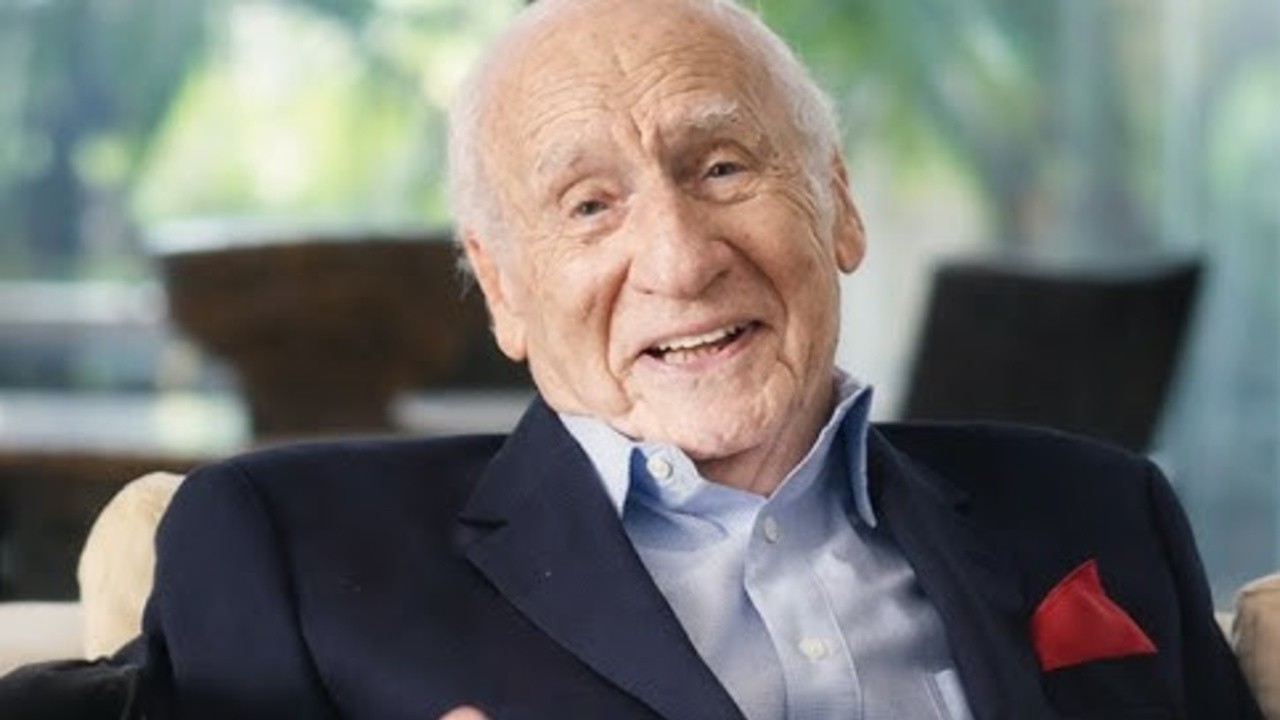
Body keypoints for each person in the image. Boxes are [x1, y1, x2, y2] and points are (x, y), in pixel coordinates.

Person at [11, 0, 1258, 718]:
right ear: (502, 288)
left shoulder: (1097, 510)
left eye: (721, 167)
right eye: (588, 205)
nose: (678, 258)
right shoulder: (292, 549)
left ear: (836, 205)